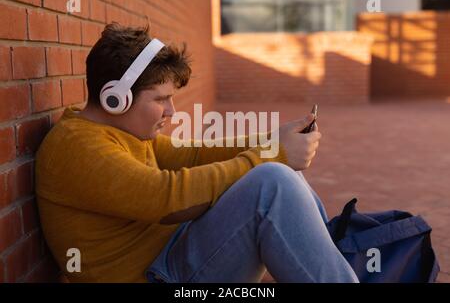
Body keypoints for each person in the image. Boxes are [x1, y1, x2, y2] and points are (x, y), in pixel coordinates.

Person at [35, 23, 358, 283]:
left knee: (280, 171)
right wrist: (271, 156)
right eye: (160, 99)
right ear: (115, 98)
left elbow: (191, 155)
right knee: (271, 181)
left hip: (170, 255)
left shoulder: (121, 132)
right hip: (154, 275)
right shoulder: (79, 147)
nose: (171, 111)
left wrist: (273, 142)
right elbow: (167, 199)